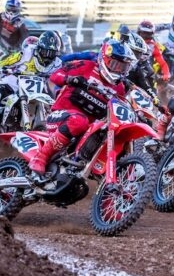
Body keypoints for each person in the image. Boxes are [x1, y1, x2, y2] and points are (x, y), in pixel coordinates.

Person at [28, 39, 137, 175]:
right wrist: (70, 79)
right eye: (116, 65)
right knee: (79, 121)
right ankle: (41, 157)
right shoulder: (86, 66)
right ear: (105, 60)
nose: (119, 70)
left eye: (123, 67)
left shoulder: (119, 87)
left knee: (114, 134)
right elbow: (55, 75)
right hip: (62, 115)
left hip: (90, 128)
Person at [0, 31, 62, 138]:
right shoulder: (27, 52)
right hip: (13, 84)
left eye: (51, 53)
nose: (47, 56)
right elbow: (9, 60)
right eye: (45, 52)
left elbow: (63, 74)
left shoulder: (57, 63)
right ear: (39, 48)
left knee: (55, 106)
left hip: (39, 88)